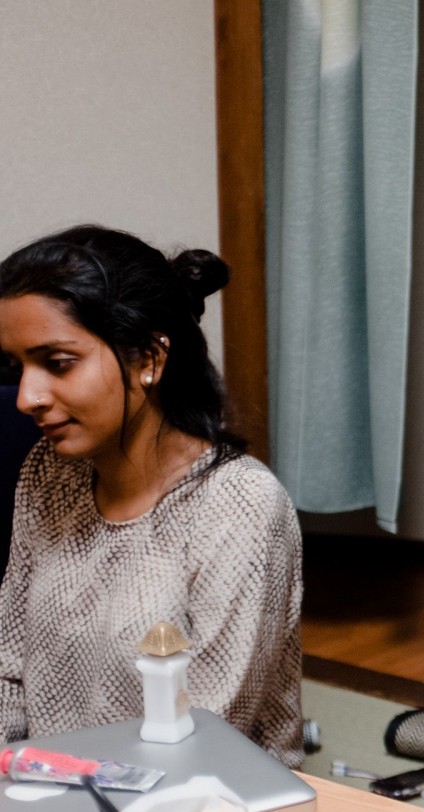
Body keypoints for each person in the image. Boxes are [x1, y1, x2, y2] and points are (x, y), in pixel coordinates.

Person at [0, 226, 304, 767]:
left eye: (58, 362)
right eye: (16, 367)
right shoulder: (48, 474)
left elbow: (211, 730)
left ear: (149, 357)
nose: (27, 397)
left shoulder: (240, 504)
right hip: (46, 799)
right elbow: (8, 669)